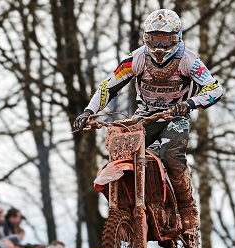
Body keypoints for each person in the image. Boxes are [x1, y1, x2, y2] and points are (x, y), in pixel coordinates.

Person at [73, 9, 224, 235]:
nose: (160, 46)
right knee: (121, 148)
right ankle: (126, 204)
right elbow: (108, 86)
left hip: (175, 117)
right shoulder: (136, 59)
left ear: (177, 38)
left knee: (172, 156)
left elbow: (215, 88)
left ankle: (186, 206)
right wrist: (88, 111)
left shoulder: (189, 61)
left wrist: (190, 103)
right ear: (146, 38)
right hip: (145, 115)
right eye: (155, 39)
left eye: (165, 39)